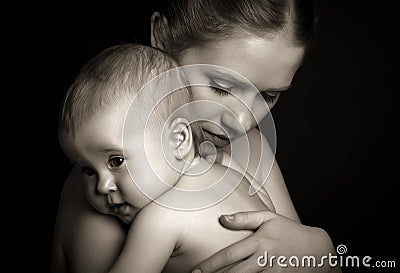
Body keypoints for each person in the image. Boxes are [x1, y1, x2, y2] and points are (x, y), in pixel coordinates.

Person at [52, 0, 341, 272]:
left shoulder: (250, 147)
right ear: (162, 37)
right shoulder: (107, 186)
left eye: (267, 96)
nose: (241, 121)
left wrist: (322, 251)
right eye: (221, 88)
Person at [55, 42, 276, 273]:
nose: (102, 186)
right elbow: (274, 225)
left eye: (116, 161)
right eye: (87, 171)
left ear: (179, 140)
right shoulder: (234, 173)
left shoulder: (159, 220)